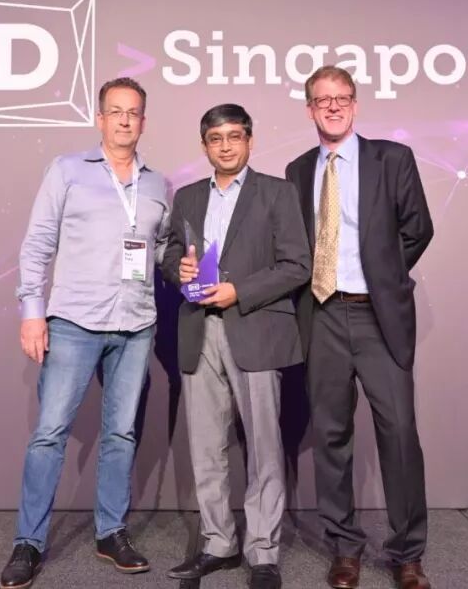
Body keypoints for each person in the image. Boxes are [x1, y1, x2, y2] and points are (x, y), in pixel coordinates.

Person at [0, 78, 170, 589]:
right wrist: (32, 311)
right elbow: (37, 243)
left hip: (136, 323)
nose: (124, 120)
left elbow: (158, 250)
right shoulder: (67, 170)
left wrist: (184, 266)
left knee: (121, 433)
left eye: (133, 112)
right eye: (115, 111)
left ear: (144, 121)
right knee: (50, 434)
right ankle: (28, 542)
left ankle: (110, 532)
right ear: (100, 119)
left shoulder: (158, 184)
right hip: (74, 320)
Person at [284, 66, 435, 589]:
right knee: (331, 435)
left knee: (399, 433)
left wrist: (384, 277)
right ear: (309, 108)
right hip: (321, 314)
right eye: (322, 99)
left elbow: (418, 228)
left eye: (342, 97)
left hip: (377, 315)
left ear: (355, 104)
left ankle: (407, 553)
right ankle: (344, 548)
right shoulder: (297, 170)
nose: (333, 106)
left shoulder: (392, 158)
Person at [161, 104, 311, 589]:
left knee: (264, 446)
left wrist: (238, 291)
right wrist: (178, 269)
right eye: (215, 138)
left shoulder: (277, 192)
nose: (225, 146)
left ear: (249, 140)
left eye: (234, 136)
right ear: (204, 145)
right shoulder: (187, 197)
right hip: (197, 330)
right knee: (206, 446)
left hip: (255, 329)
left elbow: (297, 264)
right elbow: (170, 252)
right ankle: (218, 543)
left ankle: (263, 551)